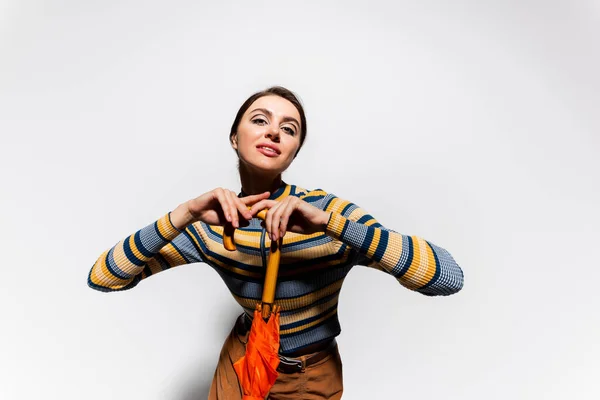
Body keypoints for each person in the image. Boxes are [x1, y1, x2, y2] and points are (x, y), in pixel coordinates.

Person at [87, 86, 464, 399]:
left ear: (294, 150)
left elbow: (447, 278)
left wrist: (331, 224)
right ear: (235, 138)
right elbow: (105, 277)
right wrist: (184, 214)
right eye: (260, 120)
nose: (273, 132)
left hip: (306, 375)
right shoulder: (213, 222)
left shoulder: (327, 212)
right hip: (240, 362)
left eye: (289, 128)